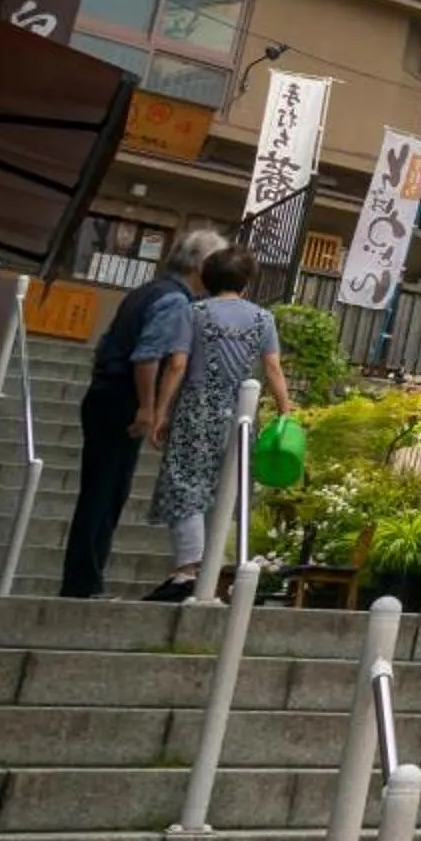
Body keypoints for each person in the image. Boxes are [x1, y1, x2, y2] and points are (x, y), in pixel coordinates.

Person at [59, 228, 218, 599]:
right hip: (123, 398)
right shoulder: (175, 302)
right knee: (105, 494)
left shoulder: (147, 291)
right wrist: (149, 407)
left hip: (104, 393)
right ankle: (83, 585)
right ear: (200, 265)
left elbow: (106, 343)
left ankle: (83, 582)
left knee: (100, 491)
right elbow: (147, 355)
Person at [143, 244, 295, 602]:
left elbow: (177, 364)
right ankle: (214, 566)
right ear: (246, 281)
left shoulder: (193, 313)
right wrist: (286, 411)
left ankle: (187, 571)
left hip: (197, 408)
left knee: (185, 483)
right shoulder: (263, 319)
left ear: (207, 278)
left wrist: (160, 409)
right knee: (226, 487)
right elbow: (273, 368)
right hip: (243, 412)